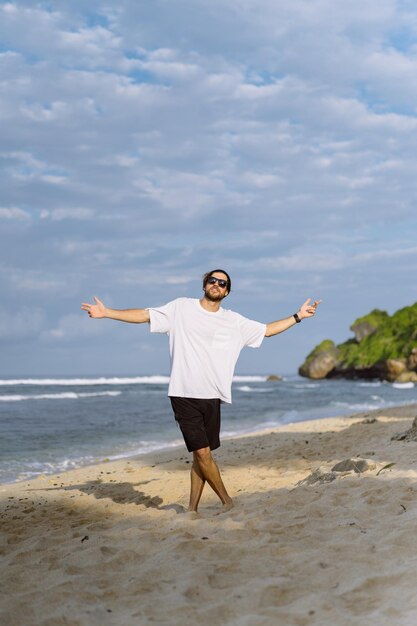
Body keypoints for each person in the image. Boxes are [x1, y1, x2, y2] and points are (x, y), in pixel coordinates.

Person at [81, 269, 321, 513]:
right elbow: (144, 315)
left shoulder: (234, 321)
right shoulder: (181, 308)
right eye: (212, 280)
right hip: (184, 393)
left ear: (227, 291)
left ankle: (192, 509)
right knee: (203, 453)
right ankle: (228, 502)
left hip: (214, 396)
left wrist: (298, 316)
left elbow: (267, 330)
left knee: (200, 456)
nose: (216, 284)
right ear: (204, 284)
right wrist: (107, 312)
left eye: (222, 283)